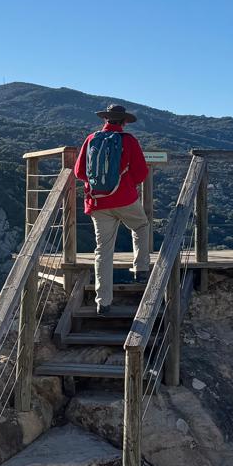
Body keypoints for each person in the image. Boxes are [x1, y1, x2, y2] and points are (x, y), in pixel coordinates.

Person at [74, 104, 151, 313]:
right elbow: (141, 173)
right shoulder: (129, 141)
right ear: (124, 121)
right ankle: (141, 268)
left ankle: (103, 301)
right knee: (141, 226)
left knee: (103, 251)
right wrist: (125, 185)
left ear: (106, 120)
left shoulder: (91, 139)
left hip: (98, 202)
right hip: (125, 200)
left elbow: (79, 172)